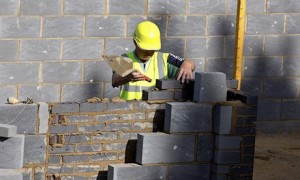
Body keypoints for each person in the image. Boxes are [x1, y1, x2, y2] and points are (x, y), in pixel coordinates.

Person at [112, 21, 195, 100]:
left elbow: (190, 64)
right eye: (145, 48)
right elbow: (115, 80)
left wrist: (188, 64)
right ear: (135, 42)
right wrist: (128, 77)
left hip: (156, 112)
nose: (148, 52)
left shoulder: (166, 59)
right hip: (130, 111)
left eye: (152, 48)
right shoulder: (124, 58)